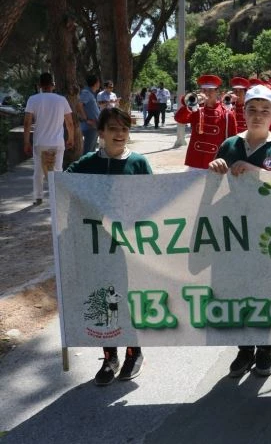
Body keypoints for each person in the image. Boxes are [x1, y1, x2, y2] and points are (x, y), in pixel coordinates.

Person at [208, 84, 271, 379]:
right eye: (252, 110)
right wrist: (216, 167)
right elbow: (213, 188)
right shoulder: (229, 145)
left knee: (263, 290)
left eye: (264, 111)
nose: (258, 116)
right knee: (236, 289)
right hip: (235, 232)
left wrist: (254, 170)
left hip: (268, 233)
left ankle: (265, 349)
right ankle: (244, 348)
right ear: (243, 112)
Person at [65, 107, 151, 385]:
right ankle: (109, 357)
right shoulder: (87, 163)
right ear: (101, 132)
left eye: (124, 128)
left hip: (129, 247)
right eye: (113, 128)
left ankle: (134, 352)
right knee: (104, 299)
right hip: (97, 247)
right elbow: (62, 186)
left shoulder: (138, 163)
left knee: (128, 297)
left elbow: (156, 199)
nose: (120, 134)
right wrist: (51, 172)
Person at [23, 73, 74, 205]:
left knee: (38, 170)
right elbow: (69, 122)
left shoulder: (33, 99)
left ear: (39, 85)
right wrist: (71, 138)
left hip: (40, 142)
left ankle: (38, 197)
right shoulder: (61, 100)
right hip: (57, 142)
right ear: (53, 85)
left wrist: (26, 142)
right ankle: (57, 198)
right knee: (57, 170)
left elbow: (27, 122)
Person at [174, 74, 236, 170]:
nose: (207, 93)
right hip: (196, 160)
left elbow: (232, 140)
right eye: (204, 90)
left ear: (217, 92)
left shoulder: (227, 113)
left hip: (216, 161)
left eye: (210, 90)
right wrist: (190, 105)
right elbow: (179, 119)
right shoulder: (195, 110)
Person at [77, 74, 101, 155]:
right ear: (96, 83)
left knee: (91, 150)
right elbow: (79, 105)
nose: (99, 84)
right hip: (90, 126)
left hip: (94, 126)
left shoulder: (90, 93)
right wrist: (86, 119)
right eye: (99, 82)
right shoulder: (86, 93)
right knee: (88, 151)